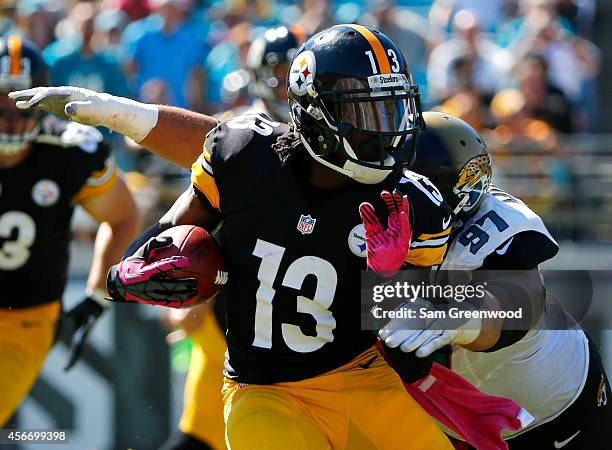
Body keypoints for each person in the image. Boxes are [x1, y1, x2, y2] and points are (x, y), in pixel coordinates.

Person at [11, 25, 456, 450]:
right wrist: (137, 265)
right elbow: (168, 235)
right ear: (317, 111)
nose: (386, 129)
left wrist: (411, 287)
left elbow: (507, 302)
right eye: (365, 113)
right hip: (267, 391)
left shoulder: (410, 200)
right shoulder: (248, 156)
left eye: (392, 108)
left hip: (367, 378)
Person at [380, 111, 611, 449]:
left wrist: (466, 317)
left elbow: (520, 302)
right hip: (459, 425)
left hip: (559, 407)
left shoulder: (495, 223)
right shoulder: (373, 233)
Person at [160, 25, 305, 450]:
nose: (284, 85)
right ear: (257, 78)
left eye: (292, 72)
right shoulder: (238, 138)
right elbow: (194, 225)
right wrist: (189, 298)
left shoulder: (329, 139)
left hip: (306, 310)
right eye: (275, 73)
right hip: (232, 314)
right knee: (203, 436)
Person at [0, 35, 138, 426]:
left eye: (18, 101)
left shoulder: (69, 152)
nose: (10, 116)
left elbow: (123, 216)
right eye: (0, 101)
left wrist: (97, 294)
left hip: (22, 317)